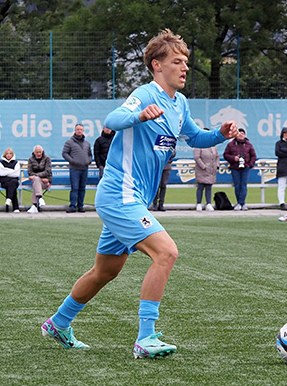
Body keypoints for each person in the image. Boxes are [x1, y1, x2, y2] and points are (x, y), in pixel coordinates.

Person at [41, 29, 238, 359]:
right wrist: (138, 115)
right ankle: (146, 338)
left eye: (186, 62)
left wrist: (219, 134)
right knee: (167, 253)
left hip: (131, 199)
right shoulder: (146, 94)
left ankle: (58, 323)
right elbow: (112, 118)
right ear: (157, 65)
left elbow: (195, 137)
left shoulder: (180, 103)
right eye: (177, 61)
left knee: (106, 271)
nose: (185, 67)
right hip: (120, 194)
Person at [223, 128, 256, 211]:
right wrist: (234, 158)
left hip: (245, 168)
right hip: (235, 168)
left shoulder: (248, 144)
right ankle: (238, 203)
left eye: (243, 134)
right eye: (239, 133)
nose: (241, 135)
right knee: (237, 185)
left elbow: (253, 156)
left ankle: (242, 203)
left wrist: (250, 164)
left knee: (243, 185)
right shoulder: (231, 144)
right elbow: (226, 155)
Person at [62, 123, 92, 213]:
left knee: (82, 188)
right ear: (75, 130)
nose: (79, 131)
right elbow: (64, 153)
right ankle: (72, 206)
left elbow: (90, 154)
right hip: (74, 169)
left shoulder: (87, 143)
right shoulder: (69, 142)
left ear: (83, 131)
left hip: (85, 168)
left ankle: (80, 206)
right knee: (74, 188)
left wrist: (88, 161)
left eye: (81, 129)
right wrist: (73, 161)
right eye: (78, 129)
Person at [193, 129, 219, 212]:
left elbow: (217, 156)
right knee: (200, 187)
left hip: (211, 170)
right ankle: (199, 203)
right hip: (202, 170)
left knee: (209, 187)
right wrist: (203, 166)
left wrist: (216, 165)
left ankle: (208, 203)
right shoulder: (198, 144)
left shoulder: (213, 145)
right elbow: (197, 157)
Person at [26, 145, 52, 214]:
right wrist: (38, 177)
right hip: (36, 181)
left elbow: (47, 171)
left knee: (36, 180)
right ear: (34, 152)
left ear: (42, 152)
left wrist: (36, 176)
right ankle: (40, 198)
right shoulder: (30, 159)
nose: (39, 154)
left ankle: (34, 206)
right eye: (37, 152)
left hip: (46, 181)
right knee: (36, 181)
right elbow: (29, 172)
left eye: (40, 152)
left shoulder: (47, 158)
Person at [275, 127, 287, 211]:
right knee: (281, 186)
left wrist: (284, 150)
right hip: (282, 167)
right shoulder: (278, 143)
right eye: (285, 133)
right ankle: (281, 203)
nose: (286, 135)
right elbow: (277, 152)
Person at [0, 148, 20, 213]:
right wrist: (11, 172)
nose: (8, 155)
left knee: (13, 183)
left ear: (12, 155)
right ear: (5, 154)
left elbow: (16, 174)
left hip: (14, 182)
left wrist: (7, 172)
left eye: (10, 153)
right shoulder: (1, 163)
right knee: (12, 185)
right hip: (4, 182)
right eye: (7, 153)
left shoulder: (16, 163)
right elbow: (2, 173)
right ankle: (15, 207)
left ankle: (8, 199)